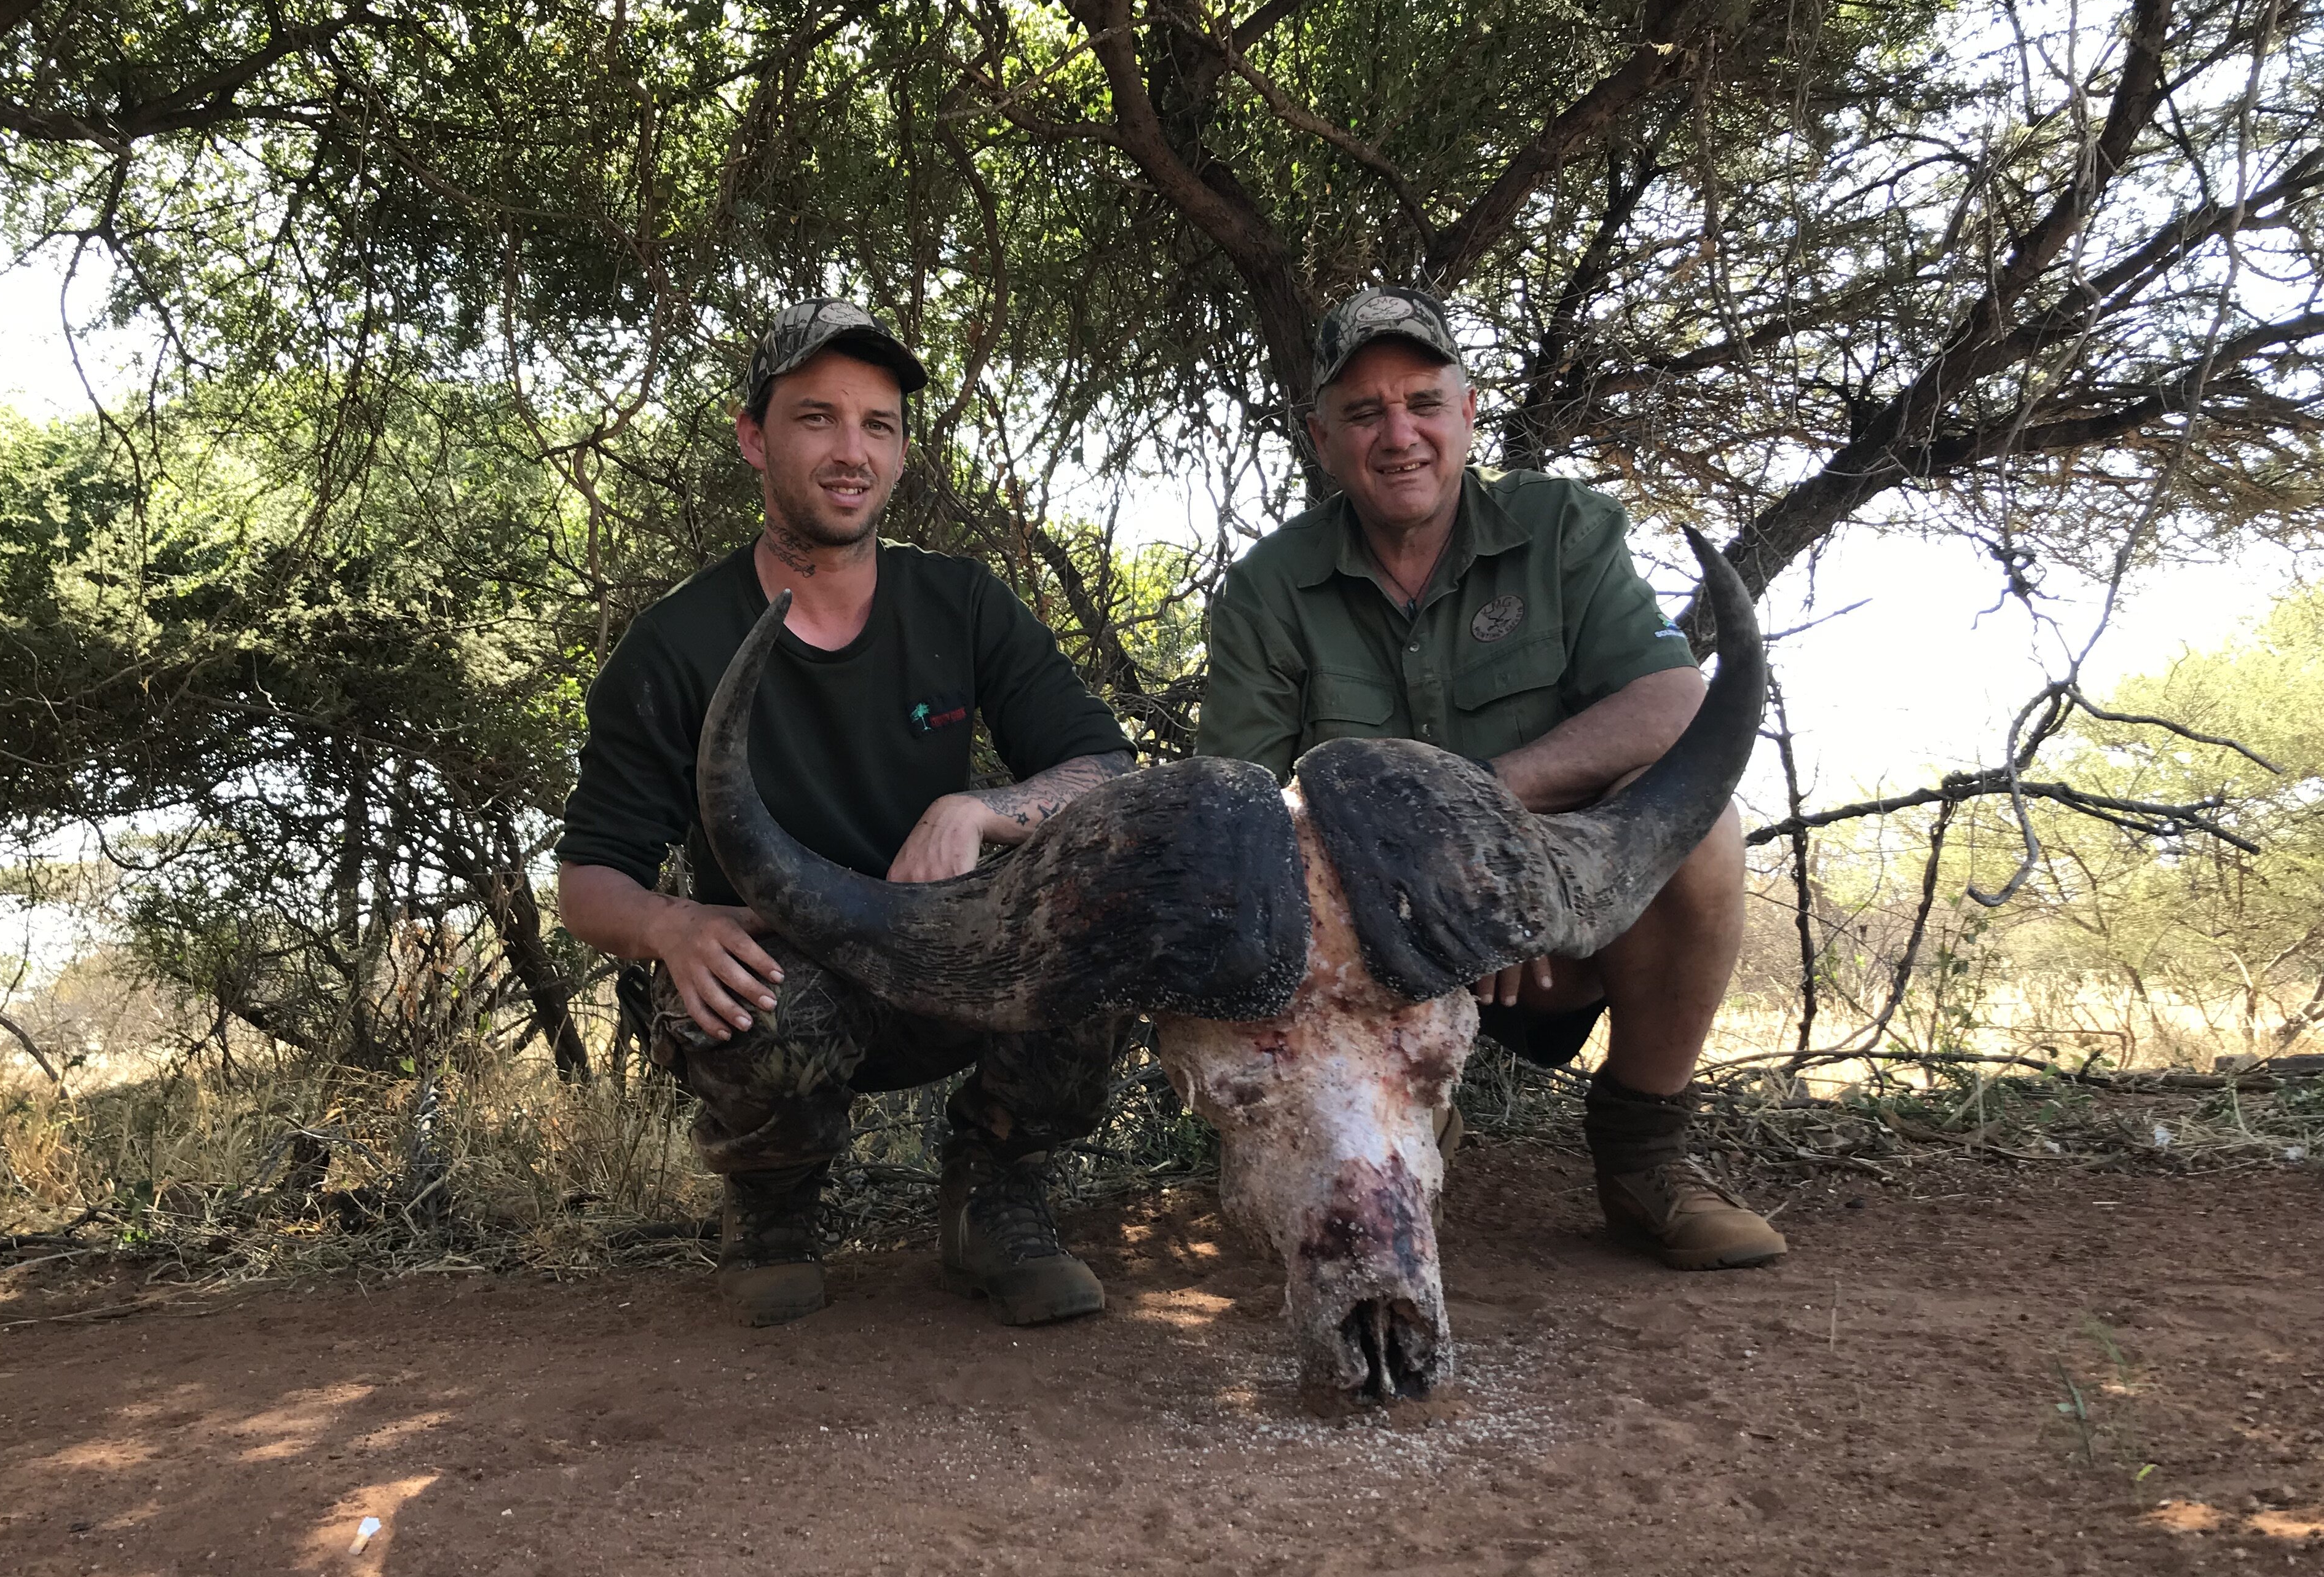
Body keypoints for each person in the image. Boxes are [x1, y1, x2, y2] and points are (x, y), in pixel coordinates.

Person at [556, 298, 1138, 1327]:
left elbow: (1103, 769)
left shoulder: (961, 602)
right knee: (746, 995)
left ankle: (996, 1192)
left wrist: (984, 805)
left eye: (879, 425)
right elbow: (588, 879)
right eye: (816, 417)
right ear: (754, 437)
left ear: (902, 455)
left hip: (953, 959)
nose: (850, 451)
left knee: (1100, 914)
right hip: (794, 974)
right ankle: (773, 1205)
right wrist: (671, 925)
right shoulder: (674, 642)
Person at [1196, 285, 1786, 1270]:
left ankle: (1646, 1155)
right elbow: (1246, 816)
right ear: (1322, 439)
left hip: (1561, 930)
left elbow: (1677, 710)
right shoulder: (1266, 588)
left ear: (1468, 412)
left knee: (1703, 825)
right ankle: (1390, 1123)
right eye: (1363, 413)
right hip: (1379, 951)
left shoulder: (1565, 528)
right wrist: (1427, 892)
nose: (1399, 435)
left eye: (1423, 403)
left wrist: (1481, 840)